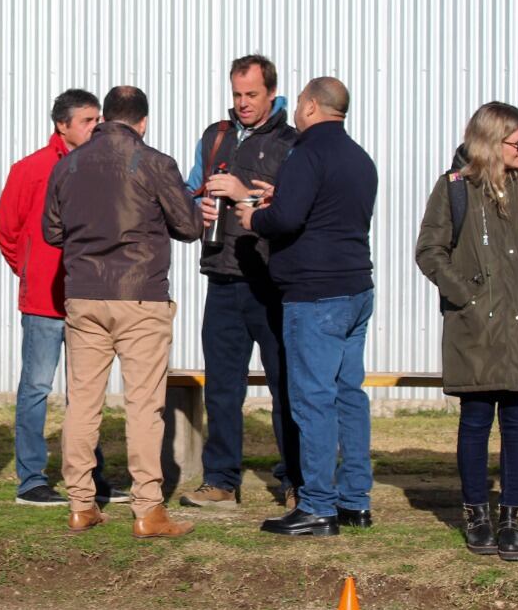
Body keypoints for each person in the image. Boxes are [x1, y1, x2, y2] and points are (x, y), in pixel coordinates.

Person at [414, 103, 518, 562]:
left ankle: (511, 517)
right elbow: (429, 250)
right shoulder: (454, 190)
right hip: (475, 329)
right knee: (476, 420)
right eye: (517, 142)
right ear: (491, 142)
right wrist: (466, 296)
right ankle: (476, 516)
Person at [43, 85, 201, 537]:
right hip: (140, 296)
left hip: (85, 295)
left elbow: (52, 232)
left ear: (104, 118)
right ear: (142, 122)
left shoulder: (68, 164)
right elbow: (188, 226)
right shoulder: (154, 162)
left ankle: (80, 504)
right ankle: (148, 509)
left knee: (83, 403)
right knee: (143, 405)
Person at [237, 77, 377, 537]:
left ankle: (317, 504)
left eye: (298, 103)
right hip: (355, 288)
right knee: (348, 395)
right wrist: (285, 198)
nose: (295, 110)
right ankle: (355, 500)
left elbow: (287, 219)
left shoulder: (305, 152)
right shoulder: (360, 158)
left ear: (313, 106)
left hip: (314, 295)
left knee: (313, 399)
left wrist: (253, 214)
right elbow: (326, 212)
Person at [0, 89, 127, 506]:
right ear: (62, 125)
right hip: (44, 304)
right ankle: (31, 479)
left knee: (85, 392)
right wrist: (32, 270)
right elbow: (6, 229)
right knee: (35, 387)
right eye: (87, 120)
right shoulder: (30, 169)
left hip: (88, 299)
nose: (96, 126)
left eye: (97, 119)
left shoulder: (105, 168)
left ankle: (89, 475)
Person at [179, 54, 302, 511]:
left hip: (271, 283)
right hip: (222, 279)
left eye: (252, 94)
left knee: (284, 386)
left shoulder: (292, 143)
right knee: (222, 387)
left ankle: (296, 480)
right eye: (237, 94)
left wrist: (242, 193)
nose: (243, 103)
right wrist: (199, 209)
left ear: (271, 92)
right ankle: (221, 482)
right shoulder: (216, 137)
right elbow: (191, 190)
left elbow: (295, 209)